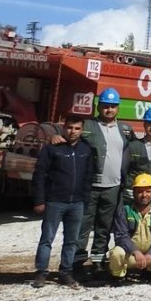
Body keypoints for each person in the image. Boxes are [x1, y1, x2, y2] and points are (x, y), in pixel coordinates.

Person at [75, 88, 135, 275]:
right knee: (83, 225)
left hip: (114, 186)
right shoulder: (87, 126)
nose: (109, 110)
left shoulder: (125, 129)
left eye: (112, 106)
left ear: (118, 108)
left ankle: (98, 262)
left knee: (104, 226)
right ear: (98, 106)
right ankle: (76, 262)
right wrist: (57, 137)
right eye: (105, 106)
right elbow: (71, 139)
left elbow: (135, 148)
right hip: (91, 185)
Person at [32, 114, 94, 288]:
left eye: (77, 128)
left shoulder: (86, 149)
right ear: (63, 127)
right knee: (47, 238)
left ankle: (65, 272)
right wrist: (39, 200)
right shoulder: (53, 148)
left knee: (71, 240)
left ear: (82, 130)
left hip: (77, 203)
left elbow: (88, 177)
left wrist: (85, 200)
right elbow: (40, 175)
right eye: (69, 127)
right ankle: (41, 273)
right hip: (55, 201)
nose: (72, 131)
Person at [107, 173, 151, 283]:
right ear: (133, 193)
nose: (144, 195)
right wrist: (135, 252)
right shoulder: (125, 210)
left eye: (148, 191)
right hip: (131, 254)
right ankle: (118, 276)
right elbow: (121, 236)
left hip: (150, 255)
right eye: (140, 191)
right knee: (116, 253)